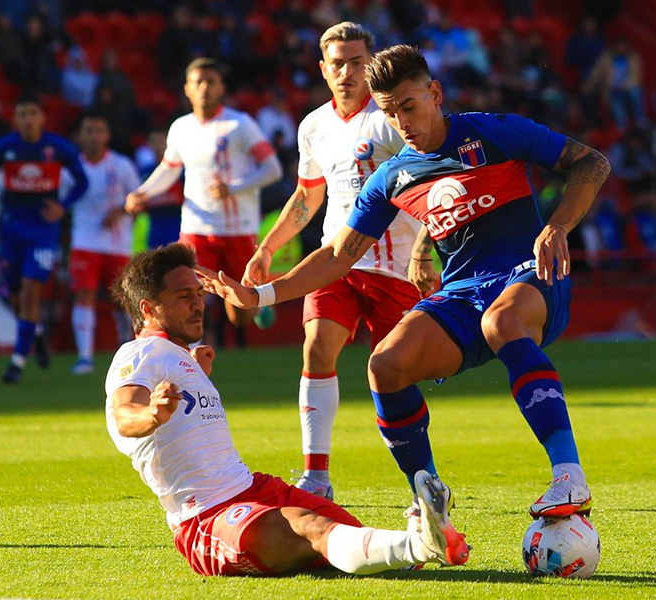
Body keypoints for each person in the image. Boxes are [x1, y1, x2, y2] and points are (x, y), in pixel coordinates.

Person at [197, 45, 611, 525]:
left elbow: (591, 163)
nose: (402, 123)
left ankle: (568, 474)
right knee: (385, 366)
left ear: (435, 93)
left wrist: (557, 225)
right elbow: (337, 254)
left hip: (530, 274)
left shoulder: (494, 131)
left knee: (503, 321)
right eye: (390, 113)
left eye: (409, 107)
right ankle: (429, 497)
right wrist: (262, 294)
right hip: (463, 291)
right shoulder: (392, 177)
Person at [105, 243, 469, 577]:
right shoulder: (138, 354)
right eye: (184, 296)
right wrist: (152, 413)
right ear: (148, 309)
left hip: (256, 488)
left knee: (348, 537)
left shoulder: (178, 358)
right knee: (313, 531)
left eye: (198, 294)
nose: (198, 304)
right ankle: (421, 543)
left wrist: (193, 368)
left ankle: (414, 547)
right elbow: (125, 414)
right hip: (207, 517)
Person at [242, 23, 421, 500]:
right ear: (323, 69)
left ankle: (420, 483)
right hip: (334, 264)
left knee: (394, 375)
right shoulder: (314, 125)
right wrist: (267, 248)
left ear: (372, 64)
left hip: (393, 266)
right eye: (337, 63)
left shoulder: (389, 119)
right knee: (317, 349)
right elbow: (307, 194)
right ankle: (316, 478)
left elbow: (426, 176)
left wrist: (425, 244)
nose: (347, 71)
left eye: (357, 61)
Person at [126, 57, 283, 346]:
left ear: (221, 87)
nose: (204, 88)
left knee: (240, 314)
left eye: (210, 81)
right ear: (187, 88)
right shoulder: (181, 128)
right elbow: (169, 169)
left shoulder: (240, 124)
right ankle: (189, 360)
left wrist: (233, 188)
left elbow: (273, 169)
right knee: (185, 292)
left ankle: (259, 305)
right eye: (198, 82)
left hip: (238, 230)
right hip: (197, 228)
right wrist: (143, 193)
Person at [0, 96, 89, 383]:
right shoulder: (5, 148)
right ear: (15, 119)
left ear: (42, 118)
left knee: (29, 291)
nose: (28, 119)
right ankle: (35, 333)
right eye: (22, 114)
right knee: (15, 297)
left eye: (33, 113)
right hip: (11, 230)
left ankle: (17, 362)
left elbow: (82, 181)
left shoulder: (57, 148)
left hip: (43, 231)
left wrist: (63, 206)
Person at [69, 112, 141, 374]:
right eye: (88, 131)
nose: (94, 136)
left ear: (107, 135)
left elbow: (138, 199)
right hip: (84, 241)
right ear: (79, 136)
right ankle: (85, 357)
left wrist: (120, 211)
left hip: (117, 244)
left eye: (98, 130)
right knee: (84, 294)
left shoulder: (121, 166)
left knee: (124, 300)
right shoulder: (72, 168)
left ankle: (131, 353)